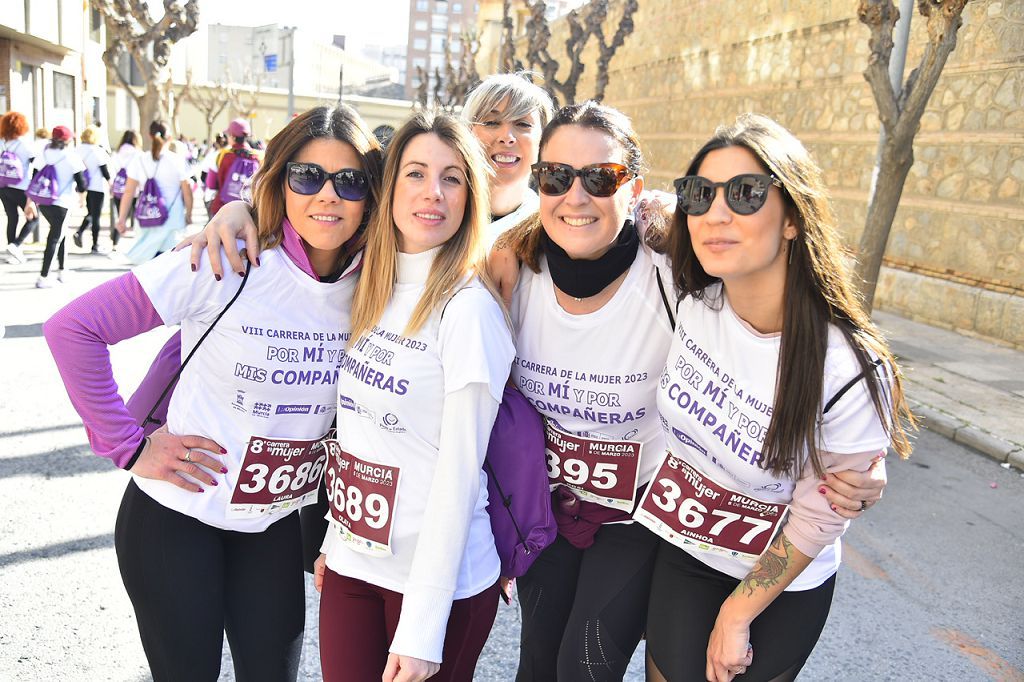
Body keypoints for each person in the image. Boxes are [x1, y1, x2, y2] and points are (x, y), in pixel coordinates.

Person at [488, 102, 889, 682]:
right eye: (555, 177)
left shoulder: (682, 283)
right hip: (614, 530)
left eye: (601, 178)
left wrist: (856, 465)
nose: (576, 195)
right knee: (536, 667)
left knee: (583, 669)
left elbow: (830, 431)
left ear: (635, 188)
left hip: (648, 530)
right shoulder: (515, 267)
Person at [43, 103, 384, 681]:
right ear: (279, 181)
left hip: (271, 526)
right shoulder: (227, 260)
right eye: (308, 177)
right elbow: (73, 329)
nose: (328, 195)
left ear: (372, 195)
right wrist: (127, 445)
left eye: (350, 181)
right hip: (177, 520)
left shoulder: (376, 284)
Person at [641, 113, 914, 682]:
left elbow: (824, 511)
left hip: (781, 581)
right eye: (699, 194)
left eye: (744, 194)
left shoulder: (848, 365)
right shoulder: (692, 303)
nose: (716, 213)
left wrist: (738, 614)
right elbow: (589, 214)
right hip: (690, 553)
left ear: (792, 219)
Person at [313, 109, 514, 682]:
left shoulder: (468, 311)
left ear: (471, 196)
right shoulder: (370, 285)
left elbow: (458, 476)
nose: (434, 193)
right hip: (354, 563)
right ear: (389, 186)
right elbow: (355, 435)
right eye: (416, 173)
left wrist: (424, 626)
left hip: (437, 585)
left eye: (453, 178)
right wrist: (337, 535)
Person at [117, 120, 192, 264]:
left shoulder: (139, 160)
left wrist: (121, 219)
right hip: (172, 217)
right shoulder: (176, 160)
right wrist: (188, 214)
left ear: (149, 136)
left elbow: (128, 192)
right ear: (169, 138)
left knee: (148, 266)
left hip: (147, 217)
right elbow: (187, 191)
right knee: (169, 265)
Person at [29, 125, 85, 288]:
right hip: (63, 202)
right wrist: (82, 199)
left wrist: (30, 202)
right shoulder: (72, 157)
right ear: (67, 140)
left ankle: (62, 270)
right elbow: (81, 184)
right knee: (55, 237)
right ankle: (43, 277)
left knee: (61, 234)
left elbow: (34, 178)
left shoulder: (44, 153)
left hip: (44, 201)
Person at [0, 111, 39, 264]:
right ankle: (15, 245)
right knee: (34, 218)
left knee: (12, 217)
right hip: (21, 186)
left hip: (3, 186)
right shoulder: (24, 143)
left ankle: (12, 252)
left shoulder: (2, 142)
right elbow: (37, 165)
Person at [206, 118, 262, 217]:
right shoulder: (259, 158)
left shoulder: (221, 155)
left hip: (222, 209)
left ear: (232, 136)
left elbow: (211, 184)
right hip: (248, 214)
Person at [72, 126, 111, 253]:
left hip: (83, 186)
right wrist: (111, 184)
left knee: (90, 213)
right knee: (96, 216)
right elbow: (104, 171)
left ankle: (80, 232)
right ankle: (95, 244)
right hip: (97, 187)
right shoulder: (98, 151)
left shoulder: (77, 150)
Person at [109, 130, 141, 251]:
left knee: (121, 216)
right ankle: (137, 241)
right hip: (133, 189)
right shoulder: (137, 154)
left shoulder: (117, 153)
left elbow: (112, 169)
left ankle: (115, 243)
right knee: (136, 215)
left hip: (118, 188)